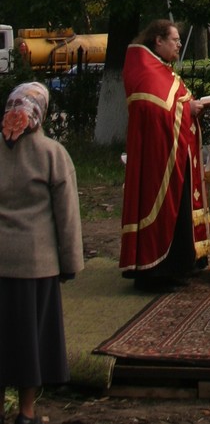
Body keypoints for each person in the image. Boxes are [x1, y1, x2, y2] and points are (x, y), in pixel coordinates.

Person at [0, 83, 84, 424]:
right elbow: (67, 217)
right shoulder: (52, 154)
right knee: (29, 343)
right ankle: (27, 412)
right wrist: (70, 264)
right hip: (37, 265)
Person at [120, 18, 210, 289]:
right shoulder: (146, 70)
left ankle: (178, 264)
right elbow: (156, 111)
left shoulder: (159, 68)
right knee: (162, 206)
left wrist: (186, 106)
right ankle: (156, 271)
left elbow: (171, 104)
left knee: (178, 207)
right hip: (157, 157)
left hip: (173, 150)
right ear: (158, 40)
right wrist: (187, 109)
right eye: (175, 40)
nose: (179, 45)